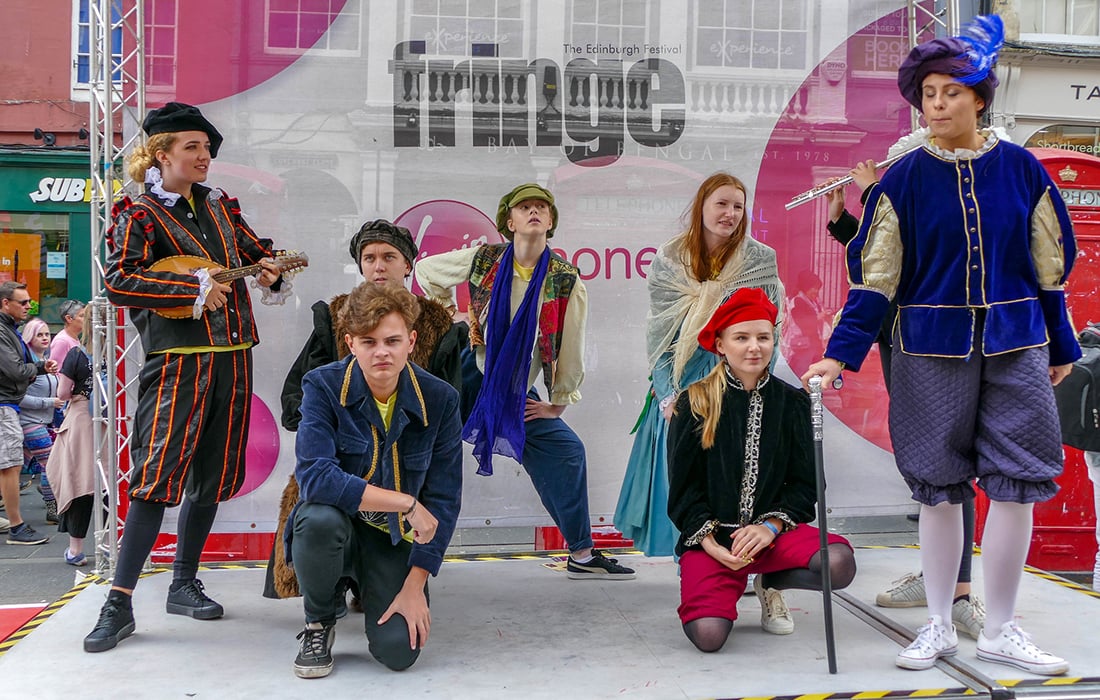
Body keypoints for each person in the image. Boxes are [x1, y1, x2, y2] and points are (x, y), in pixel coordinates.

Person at [803, 15, 1074, 676]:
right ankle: (936, 624)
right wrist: (839, 353)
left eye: (950, 91)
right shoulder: (900, 182)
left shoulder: (1024, 170)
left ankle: (1004, 628)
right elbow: (876, 283)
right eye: (927, 94)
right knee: (938, 487)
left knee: (1016, 483)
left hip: (1017, 346)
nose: (936, 104)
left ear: (980, 96)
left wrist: (1061, 345)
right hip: (927, 350)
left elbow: (1049, 270)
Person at [83, 102, 291, 653]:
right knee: (155, 477)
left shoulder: (222, 208)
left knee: (211, 473)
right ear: (160, 154)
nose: (204, 158)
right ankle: (119, 602)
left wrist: (269, 266)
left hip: (233, 356)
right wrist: (188, 290)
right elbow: (119, 281)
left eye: (206, 149)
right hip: (178, 361)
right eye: (192, 148)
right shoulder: (138, 215)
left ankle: (183, 582)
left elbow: (253, 253)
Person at [416, 183, 634, 580]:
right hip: (465, 373)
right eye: (524, 207)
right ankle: (400, 554)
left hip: (514, 386)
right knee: (421, 448)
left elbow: (570, 344)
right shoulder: (486, 259)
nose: (534, 212)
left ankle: (582, 555)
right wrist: (453, 314)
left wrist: (558, 401)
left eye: (541, 208)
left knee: (566, 452)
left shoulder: (565, 280)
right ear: (509, 221)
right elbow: (427, 271)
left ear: (550, 222)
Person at [825, 164, 985, 639]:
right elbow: (888, 262)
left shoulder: (951, 184)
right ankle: (939, 578)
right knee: (924, 462)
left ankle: (957, 592)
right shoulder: (912, 184)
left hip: (937, 343)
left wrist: (874, 190)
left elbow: (930, 255)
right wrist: (842, 221)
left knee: (948, 463)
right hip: (899, 339)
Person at [269, 218, 465, 602]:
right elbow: (298, 394)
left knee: (397, 648)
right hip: (342, 461)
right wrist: (324, 420)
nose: (379, 266)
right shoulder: (336, 314)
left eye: (389, 257)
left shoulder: (439, 325)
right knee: (319, 517)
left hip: (406, 467)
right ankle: (323, 602)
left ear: (408, 264)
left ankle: (381, 578)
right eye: (370, 257)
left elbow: (449, 407)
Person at [287, 282, 462, 679]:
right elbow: (315, 478)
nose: (381, 351)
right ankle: (319, 621)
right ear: (350, 344)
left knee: (399, 654)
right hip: (339, 526)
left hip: (392, 537)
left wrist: (416, 584)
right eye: (368, 341)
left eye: (392, 340)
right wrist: (406, 503)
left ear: (411, 341)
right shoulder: (321, 386)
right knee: (316, 519)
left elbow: (445, 499)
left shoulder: (441, 399)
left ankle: (374, 585)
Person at [667, 287, 856, 653]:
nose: (754, 347)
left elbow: (806, 485)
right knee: (708, 637)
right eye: (741, 338)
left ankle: (769, 581)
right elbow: (682, 490)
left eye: (763, 337)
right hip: (716, 541)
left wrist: (770, 527)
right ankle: (726, 584)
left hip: (774, 536)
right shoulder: (695, 401)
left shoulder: (792, 403)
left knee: (839, 564)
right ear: (720, 344)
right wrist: (709, 543)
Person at [615, 173, 785, 570]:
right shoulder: (670, 258)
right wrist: (669, 395)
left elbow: (767, 330)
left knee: (737, 473)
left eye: (738, 206)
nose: (729, 214)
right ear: (702, 208)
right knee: (686, 478)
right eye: (721, 204)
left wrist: (754, 389)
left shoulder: (760, 259)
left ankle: (744, 562)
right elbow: (660, 335)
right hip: (682, 378)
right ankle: (694, 565)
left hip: (736, 374)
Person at [0, 281, 57, 545]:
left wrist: (38, 368)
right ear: (5, 303)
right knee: (11, 466)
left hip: (9, 404)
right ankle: (17, 527)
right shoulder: (3, 331)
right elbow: (15, 371)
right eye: (23, 302)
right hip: (6, 405)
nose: (28, 306)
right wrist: (37, 370)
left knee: (10, 464)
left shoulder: (9, 330)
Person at [48, 308, 99, 567]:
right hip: (114, 420)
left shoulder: (76, 354)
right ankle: (115, 543)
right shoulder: (115, 354)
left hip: (81, 420)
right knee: (108, 484)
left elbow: (64, 392)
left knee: (79, 484)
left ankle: (75, 550)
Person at [19, 318, 61, 525]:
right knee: (49, 464)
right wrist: (50, 402)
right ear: (29, 337)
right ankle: (52, 508)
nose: (45, 338)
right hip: (29, 422)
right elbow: (20, 397)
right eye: (39, 334)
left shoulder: (47, 361)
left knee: (18, 467)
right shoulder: (27, 365)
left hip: (43, 422)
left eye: (46, 334)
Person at [49, 299, 85, 366]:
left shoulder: (73, 338)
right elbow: (55, 371)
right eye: (82, 316)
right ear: (69, 318)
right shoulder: (62, 341)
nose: (86, 319)